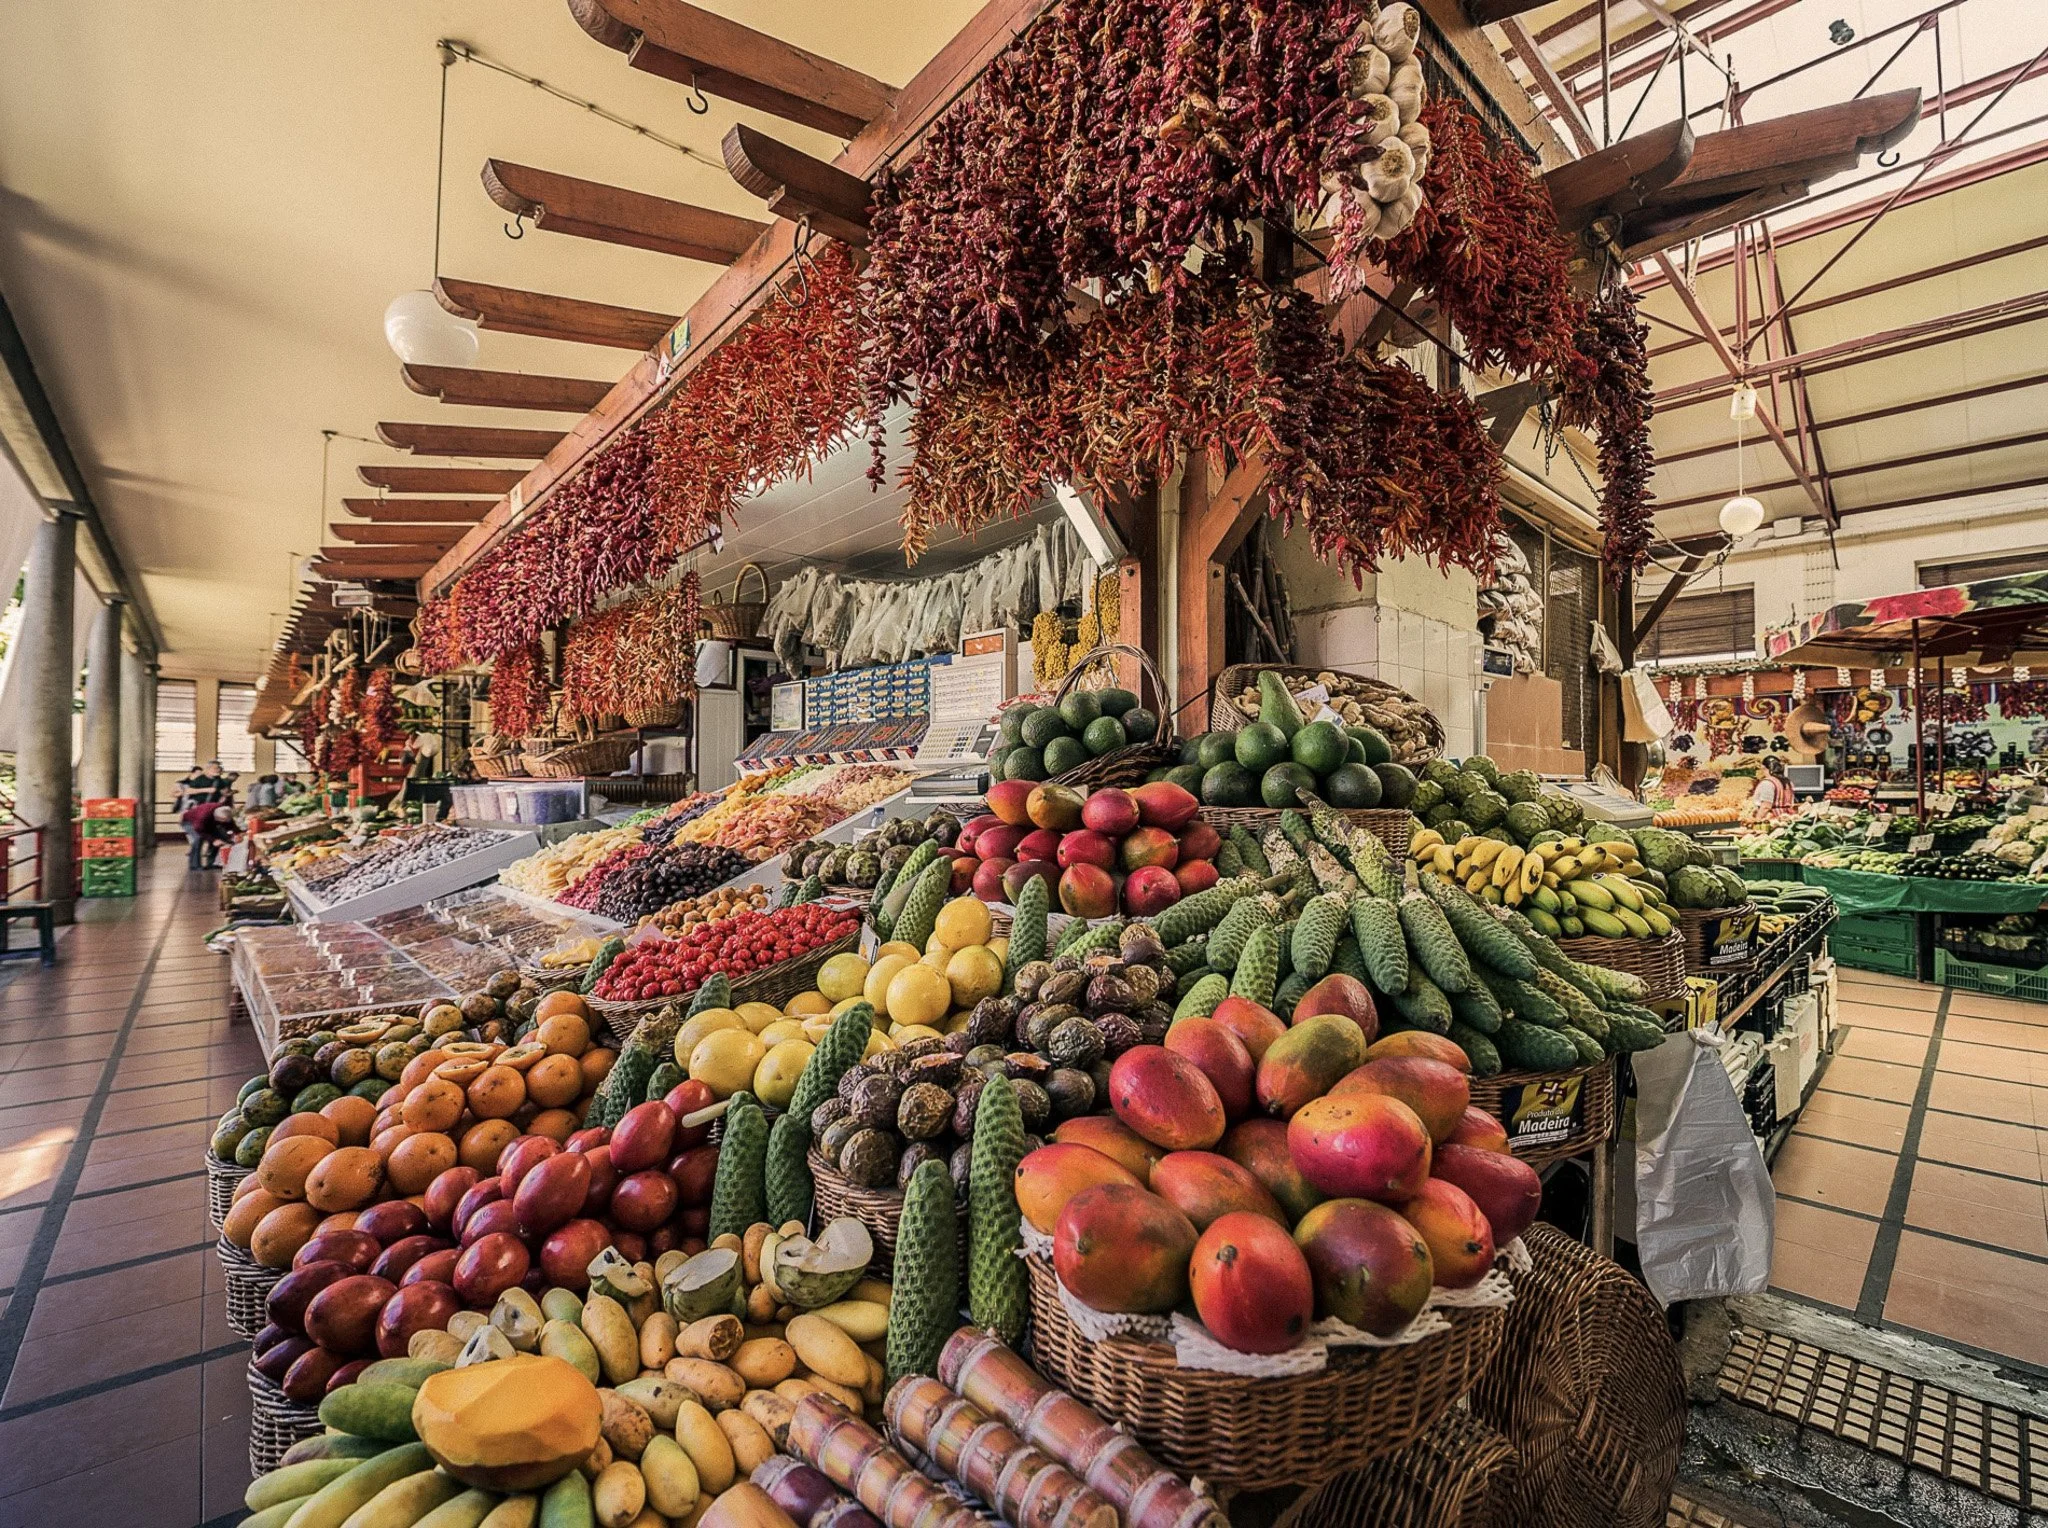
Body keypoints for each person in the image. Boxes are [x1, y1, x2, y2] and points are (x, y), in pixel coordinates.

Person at [181, 800, 238, 870]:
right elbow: (199, 831)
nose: (224, 823)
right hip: (189, 822)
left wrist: (238, 832)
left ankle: (211, 863)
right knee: (198, 840)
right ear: (218, 818)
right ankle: (194, 865)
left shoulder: (224, 810)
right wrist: (213, 840)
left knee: (220, 837)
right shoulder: (202, 817)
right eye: (223, 821)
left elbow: (229, 823)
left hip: (208, 823)